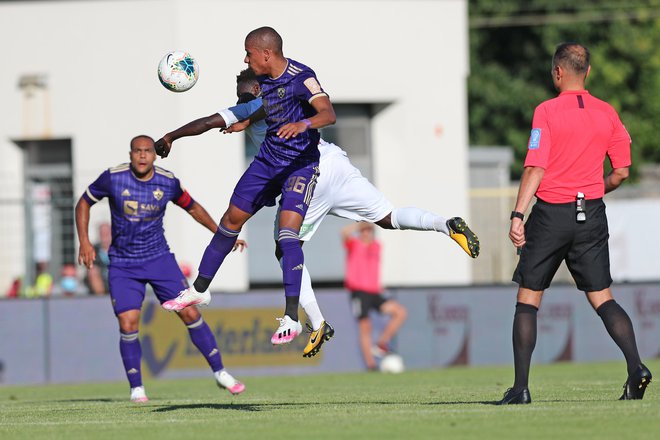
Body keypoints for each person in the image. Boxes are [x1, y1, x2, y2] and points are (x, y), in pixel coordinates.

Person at [225, 68, 480, 358]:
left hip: (309, 176)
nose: (241, 101)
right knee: (389, 217)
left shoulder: (261, 102)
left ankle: (317, 322)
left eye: (244, 95)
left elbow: (244, 113)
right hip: (334, 161)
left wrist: (176, 134)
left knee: (286, 249)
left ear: (256, 91)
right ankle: (445, 225)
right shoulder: (285, 94)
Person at [155, 27, 337, 352]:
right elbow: (223, 116)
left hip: (300, 166)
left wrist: (303, 124)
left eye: (248, 53)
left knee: (286, 236)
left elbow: (328, 113)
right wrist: (171, 136)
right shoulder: (260, 86)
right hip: (267, 161)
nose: (245, 58)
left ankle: (292, 317)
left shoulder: (301, 76)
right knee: (231, 219)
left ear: (266, 53)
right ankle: (200, 288)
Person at [499, 43, 651, 405]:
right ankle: (636, 368)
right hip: (592, 213)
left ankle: (520, 388)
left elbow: (536, 166)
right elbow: (622, 172)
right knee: (603, 298)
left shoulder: (547, 111)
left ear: (557, 72)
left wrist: (518, 215)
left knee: (528, 300)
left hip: (552, 213)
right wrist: (595, 190)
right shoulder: (607, 112)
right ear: (588, 72)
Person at [75, 135, 245, 403]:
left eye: (147, 151)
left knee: (189, 311)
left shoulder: (167, 181)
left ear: (155, 155)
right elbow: (84, 202)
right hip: (123, 263)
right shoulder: (113, 178)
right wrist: (84, 241)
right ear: (130, 154)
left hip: (159, 259)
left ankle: (221, 372)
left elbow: (193, 208)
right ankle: (137, 389)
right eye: (137, 151)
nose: (142, 155)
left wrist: (222, 233)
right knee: (128, 322)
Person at [341, 222, 407, 370]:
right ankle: (371, 365)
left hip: (375, 292)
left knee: (400, 312)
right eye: (363, 230)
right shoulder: (353, 244)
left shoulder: (377, 245)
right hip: (358, 292)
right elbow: (344, 232)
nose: (366, 233)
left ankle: (381, 343)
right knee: (365, 327)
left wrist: (372, 223)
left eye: (368, 230)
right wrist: (359, 225)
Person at [85, 222, 111, 295]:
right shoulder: (93, 249)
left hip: (116, 278)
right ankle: (101, 299)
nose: (105, 235)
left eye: (107, 233)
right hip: (100, 279)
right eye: (102, 233)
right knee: (92, 271)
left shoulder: (119, 249)